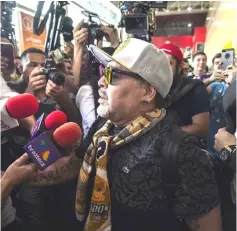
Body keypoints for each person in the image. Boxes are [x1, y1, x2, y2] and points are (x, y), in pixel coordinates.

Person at [29, 38, 221, 231]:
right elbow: (78, 164)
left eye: (112, 74)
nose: (102, 82)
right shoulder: (102, 127)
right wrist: (22, 175)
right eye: (102, 71)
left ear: (147, 92)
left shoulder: (182, 151)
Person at [159, 43, 209, 137]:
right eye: (159, 63)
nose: (162, 68)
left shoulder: (195, 88)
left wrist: (165, 135)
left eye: (168, 63)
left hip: (185, 146)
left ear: (181, 65)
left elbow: (202, 127)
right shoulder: (152, 88)